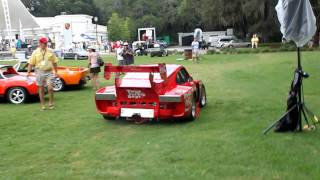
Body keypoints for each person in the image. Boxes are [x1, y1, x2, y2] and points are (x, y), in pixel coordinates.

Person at [27, 37, 58, 111]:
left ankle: (50, 103)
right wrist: (28, 72)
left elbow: (55, 62)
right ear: (40, 43)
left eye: (46, 43)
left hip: (49, 72)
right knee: (41, 89)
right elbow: (31, 63)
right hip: (39, 72)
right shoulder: (35, 52)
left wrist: (56, 71)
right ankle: (43, 105)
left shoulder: (51, 51)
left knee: (50, 87)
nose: (46, 44)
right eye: (44, 43)